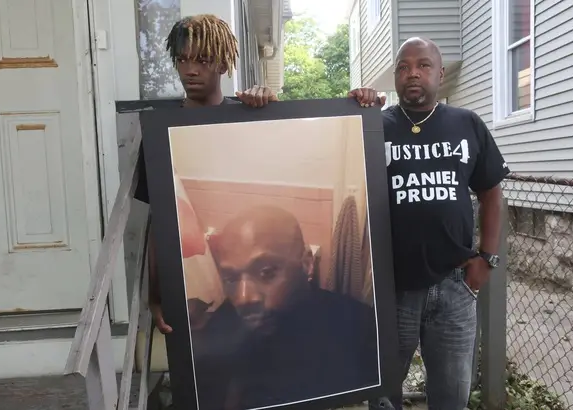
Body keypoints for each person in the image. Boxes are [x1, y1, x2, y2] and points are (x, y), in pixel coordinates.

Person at [347, 37, 509, 410]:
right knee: (383, 395)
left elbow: (491, 192)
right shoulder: (374, 126)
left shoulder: (466, 123)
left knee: (452, 397)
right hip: (391, 288)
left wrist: (487, 259)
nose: (412, 74)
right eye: (403, 67)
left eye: (423, 65)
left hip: (454, 285)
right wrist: (353, 110)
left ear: (440, 73)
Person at [132, 14, 279, 333]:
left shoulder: (248, 118)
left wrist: (272, 107)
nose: (190, 70)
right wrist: (155, 296)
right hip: (193, 277)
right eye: (183, 60)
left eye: (202, 60)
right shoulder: (159, 134)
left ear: (223, 64)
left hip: (250, 262)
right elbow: (158, 222)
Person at [193, 205, 379, 409]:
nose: (243, 298)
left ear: (307, 264)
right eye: (231, 278)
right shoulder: (219, 329)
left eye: (266, 272)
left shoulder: (360, 328)